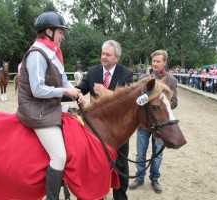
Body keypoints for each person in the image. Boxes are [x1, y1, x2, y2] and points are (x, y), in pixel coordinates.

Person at [16, 11, 85, 199]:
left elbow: (63, 81)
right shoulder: (37, 54)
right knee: (60, 156)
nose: (63, 36)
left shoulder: (53, 53)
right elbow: (37, 90)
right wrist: (65, 92)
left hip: (49, 107)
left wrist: (76, 93)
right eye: (61, 32)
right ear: (49, 31)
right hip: (36, 111)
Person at [76, 40, 133, 200]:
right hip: (96, 130)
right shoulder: (93, 72)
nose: (104, 57)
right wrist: (59, 93)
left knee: (120, 164)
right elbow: (79, 90)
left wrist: (107, 93)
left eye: (108, 54)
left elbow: (129, 101)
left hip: (118, 130)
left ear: (117, 57)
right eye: (102, 53)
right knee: (96, 164)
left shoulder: (126, 74)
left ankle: (120, 196)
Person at [129, 50, 178, 194]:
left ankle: (154, 179)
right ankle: (139, 177)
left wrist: (161, 104)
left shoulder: (171, 80)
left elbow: (174, 102)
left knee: (157, 154)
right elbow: (135, 99)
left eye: (158, 61)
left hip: (160, 123)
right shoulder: (143, 78)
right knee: (140, 153)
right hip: (144, 123)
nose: (155, 64)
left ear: (164, 63)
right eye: (154, 61)